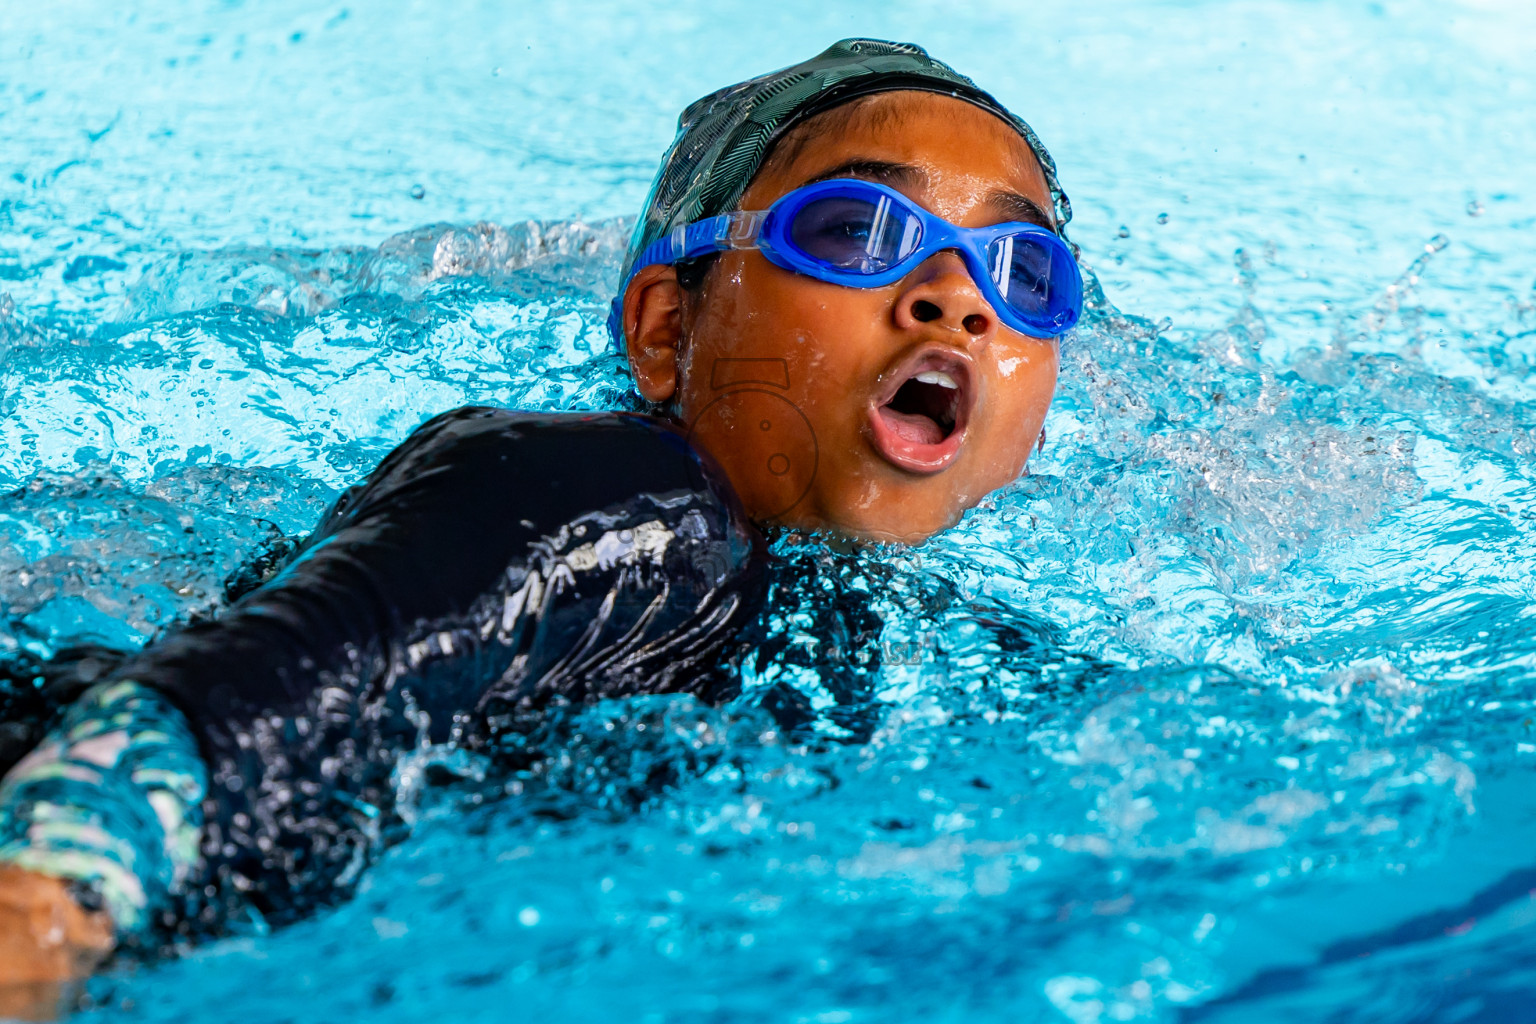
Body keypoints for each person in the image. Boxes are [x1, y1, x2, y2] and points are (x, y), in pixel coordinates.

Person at [0, 38, 1082, 1016]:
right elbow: (276, 684)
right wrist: (36, 928)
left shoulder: (853, 628)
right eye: (858, 232)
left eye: (1024, 273)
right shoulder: (631, 500)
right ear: (666, 331)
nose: (956, 296)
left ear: (1031, 434)